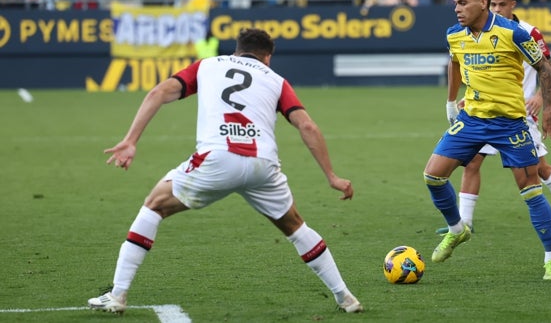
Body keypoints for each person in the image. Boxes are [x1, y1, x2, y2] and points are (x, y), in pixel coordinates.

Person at [87, 28, 363, 314]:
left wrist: (131, 140)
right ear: (267, 57)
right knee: (296, 227)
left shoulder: (208, 65)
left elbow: (158, 93)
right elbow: (307, 126)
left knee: (154, 206)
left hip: (217, 159)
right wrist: (332, 176)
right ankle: (345, 297)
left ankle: (117, 295)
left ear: (236, 49)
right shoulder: (277, 81)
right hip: (263, 166)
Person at [426, 0, 551, 280]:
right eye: (455, 4)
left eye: (463, 3)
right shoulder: (455, 35)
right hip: (472, 120)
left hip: (509, 123)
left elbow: (544, 67)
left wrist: (549, 110)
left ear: (483, 3)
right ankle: (457, 229)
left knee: (530, 190)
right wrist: (451, 102)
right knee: (433, 176)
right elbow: (454, 63)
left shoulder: (512, 33)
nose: (457, 9)